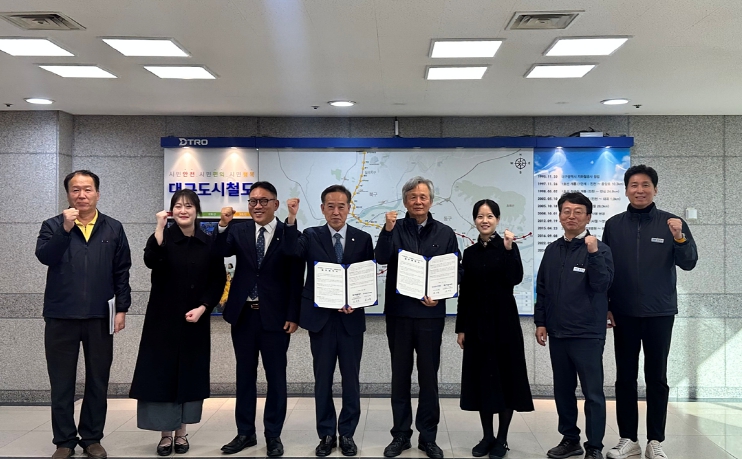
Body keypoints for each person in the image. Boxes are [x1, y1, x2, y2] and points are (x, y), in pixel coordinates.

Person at [602, 165, 698, 459]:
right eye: (634, 185)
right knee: (625, 378)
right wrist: (607, 305)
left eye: (645, 185)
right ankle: (628, 439)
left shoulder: (672, 223)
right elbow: (605, 269)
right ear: (626, 190)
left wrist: (679, 237)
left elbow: (689, 262)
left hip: (660, 312)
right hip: (624, 312)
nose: (640, 190)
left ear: (655, 189)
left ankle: (655, 440)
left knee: (657, 377)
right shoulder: (614, 225)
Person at [35, 170, 132, 459]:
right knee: (61, 383)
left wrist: (122, 309)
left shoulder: (113, 228)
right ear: (68, 194)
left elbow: (122, 271)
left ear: (97, 194)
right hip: (60, 316)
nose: (82, 195)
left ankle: (92, 438)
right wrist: (65, 229)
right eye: (75, 190)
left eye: (87, 189)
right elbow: (45, 257)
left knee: (98, 381)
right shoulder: (53, 225)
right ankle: (64, 441)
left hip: (100, 317)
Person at [129, 190, 226, 456]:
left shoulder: (208, 242)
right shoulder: (163, 238)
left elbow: (217, 279)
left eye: (189, 206)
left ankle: (181, 433)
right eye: (178, 206)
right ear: (172, 211)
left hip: (194, 321)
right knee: (163, 375)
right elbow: (151, 260)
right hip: (162, 321)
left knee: (188, 375)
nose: (184, 210)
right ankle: (165, 435)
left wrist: (204, 307)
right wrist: (159, 227)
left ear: (197, 210)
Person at [284, 185, 375, 457]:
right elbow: (291, 253)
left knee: (351, 380)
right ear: (323, 209)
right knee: (322, 379)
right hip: (320, 320)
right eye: (331, 206)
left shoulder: (363, 238)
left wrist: (357, 300)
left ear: (349, 209)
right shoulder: (310, 236)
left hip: (351, 321)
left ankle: (347, 434)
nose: (336, 212)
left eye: (341, 206)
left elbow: (366, 277)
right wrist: (291, 219)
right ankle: (326, 433)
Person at [375, 176, 461, 459]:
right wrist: (387, 230)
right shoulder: (394, 228)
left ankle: (428, 437)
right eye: (412, 196)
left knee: (429, 378)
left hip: (430, 316)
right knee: (400, 377)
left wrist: (441, 294)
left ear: (431, 201)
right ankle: (400, 435)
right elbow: (381, 258)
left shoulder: (445, 233)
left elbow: (456, 270)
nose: (418, 201)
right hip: (399, 315)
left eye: (423, 196)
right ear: (405, 201)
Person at [215, 181, 302, 457]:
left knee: (276, 378)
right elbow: (218, 251)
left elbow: (295, 275)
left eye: (264, 201)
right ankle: (245, 433)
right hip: (244, 316)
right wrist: (222, 225)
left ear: (275, 204)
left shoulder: (287, 232)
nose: (257, 206)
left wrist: (293, 315)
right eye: (253, 201)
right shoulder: (238, 229)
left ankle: (273, 435)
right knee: (244, 376)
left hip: (276, 318)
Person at [534, 192, 614, 459]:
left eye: (578, 212)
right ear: (559, 216)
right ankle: (570, 440)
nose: (571, 216)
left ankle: (595, 446)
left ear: (588, 217)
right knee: (563, 391)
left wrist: (593, 253)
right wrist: (541, 322)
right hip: (558, 332)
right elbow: (542, 289)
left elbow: (602, 285)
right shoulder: (552, 249)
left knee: (593, 393)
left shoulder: (600, 249)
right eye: (566, 211)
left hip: (587, 333)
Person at [456, 199, 534, 459]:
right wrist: (461, 328)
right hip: (477, 324)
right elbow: (465, 293)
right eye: (480, 216)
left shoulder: (508, 247)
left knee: (505, 379)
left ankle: (502, 439)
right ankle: (487, 436)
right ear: (475, 220)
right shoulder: (469, 253)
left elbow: (515, 278)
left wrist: (509, 249)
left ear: (498, 220)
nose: (485, 220)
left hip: (504, 324)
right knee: (482, 380)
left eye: (490, 216)